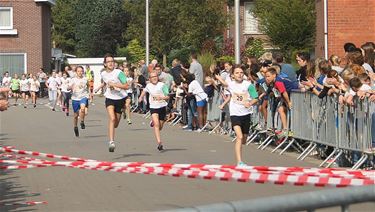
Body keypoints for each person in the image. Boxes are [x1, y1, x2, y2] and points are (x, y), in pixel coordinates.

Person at [218, 65, 258, 166]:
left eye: (241, 73)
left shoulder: (248, 85)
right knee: (239, 137)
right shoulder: (231, 84)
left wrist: (250, 103)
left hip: (246, 113)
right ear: (232, 75)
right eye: (237, 73)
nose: (239, 74)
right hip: (235, 114)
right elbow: (225, 84)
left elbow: (256, 97)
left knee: (244, 139)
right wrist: (217, 77)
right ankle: (239, 162)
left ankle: (242, 144)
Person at [95, 54, 129, 152]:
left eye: (112, 61)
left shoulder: (119, 73)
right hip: (109, 98)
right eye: (108, 61)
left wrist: (115, 85)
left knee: (116, 124)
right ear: (105, 64)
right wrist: (99, 87)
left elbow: (126, 86)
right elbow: (105, 82)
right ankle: (111, 142)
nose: (110, 63)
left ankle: (122, 111)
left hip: (120, 98)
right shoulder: (103, 74)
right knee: (112, 118)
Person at [138, 71, 170, 152]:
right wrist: (141, 97)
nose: (154, 78)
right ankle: (159, 143)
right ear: (150, 79)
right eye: (152, 77)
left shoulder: (162, 85)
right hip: (153, 107)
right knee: (156, 124)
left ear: (157, 77)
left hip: (162, 106)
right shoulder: (148, 85)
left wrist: (162, 98)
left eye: (155, 76)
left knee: (160, 126)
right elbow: (144, 91)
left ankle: (154, 122)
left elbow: (167, 96)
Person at [69, 66, 89, 137]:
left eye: (81, 71)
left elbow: (88, 86)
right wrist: (71, 87)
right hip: (75, 98)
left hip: (83, 97)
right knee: (75, 115)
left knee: (83, 109)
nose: (80, 72)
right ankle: (75, 127)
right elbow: (68, 87)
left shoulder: (85, 79)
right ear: (76, 72)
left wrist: (89, 94)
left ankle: (82, 122)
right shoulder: (73, 80)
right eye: (78, 71)